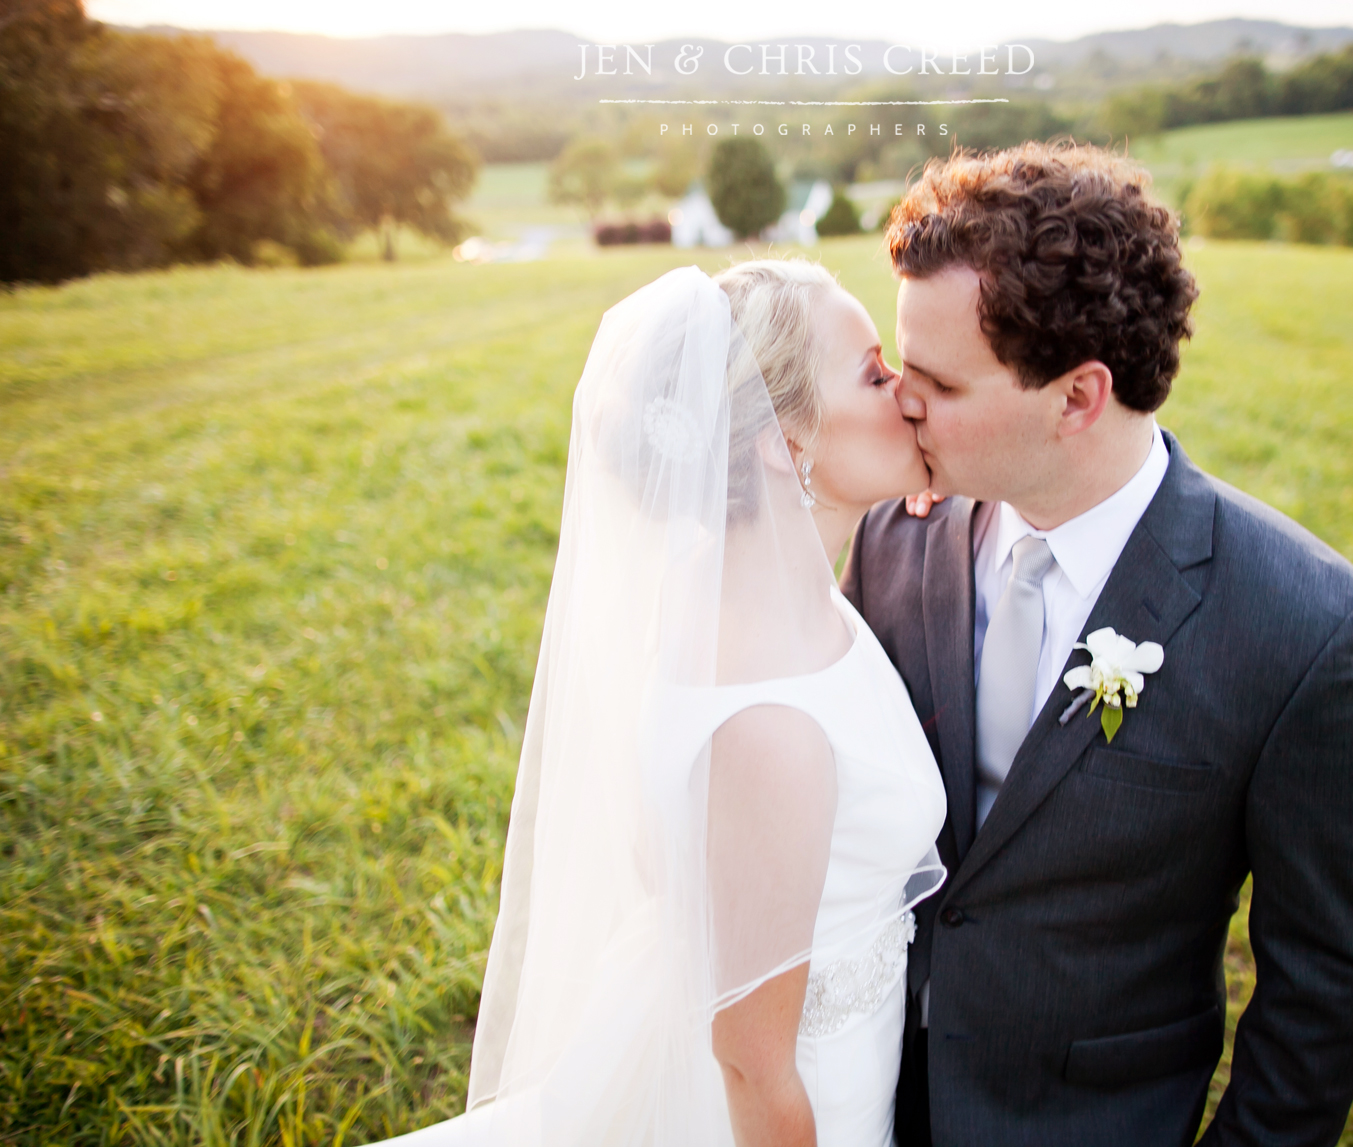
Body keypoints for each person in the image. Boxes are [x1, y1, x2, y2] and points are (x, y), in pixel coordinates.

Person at [841, 141, 1353, 1146]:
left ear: (1076, 397)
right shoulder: (898, 531)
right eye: (898, 364)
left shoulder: (1311, 636)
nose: (900, 399)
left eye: (937, 381)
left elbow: (1328, 976)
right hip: (858, 1085)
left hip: (1087, 1115)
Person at [363, 259, 946, 1146]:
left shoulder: (722, 591)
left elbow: (662, 860)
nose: (906, 390)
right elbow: (755, 1065)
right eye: (873, 372)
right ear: (779, 437)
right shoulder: (770, 722)